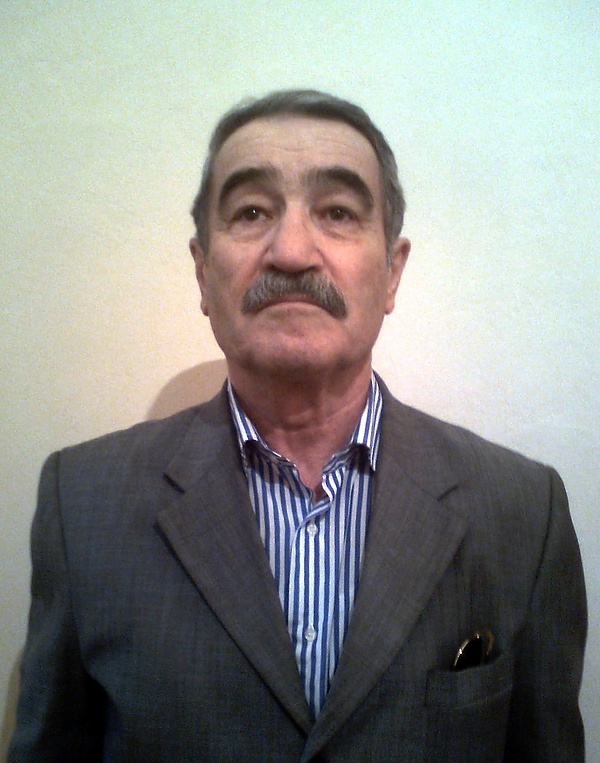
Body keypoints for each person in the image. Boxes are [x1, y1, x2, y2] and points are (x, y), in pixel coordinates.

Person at [9, 89, 587, 762]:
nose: (290, 251)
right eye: (251, 212)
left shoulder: (523, 512)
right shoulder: (81, 503)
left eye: (337, 212)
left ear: (392, 272)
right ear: (202, 271)